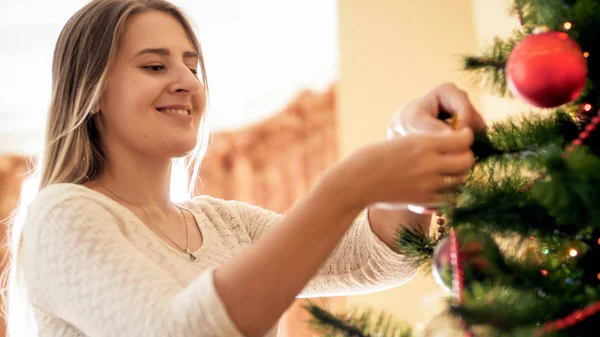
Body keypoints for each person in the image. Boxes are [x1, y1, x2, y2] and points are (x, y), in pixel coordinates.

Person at [4, 0, 486, 336]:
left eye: (192, 67)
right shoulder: (63, 215)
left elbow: (377, 256)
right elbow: (181, 331)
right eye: (154, 66)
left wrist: (411, 142)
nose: (186, 83)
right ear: (92, 93)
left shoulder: (223, 224)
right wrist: (346, 185)